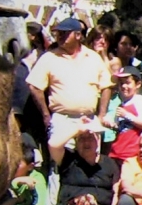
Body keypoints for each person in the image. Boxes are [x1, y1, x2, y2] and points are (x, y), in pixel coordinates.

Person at [26, 17, 114, 166]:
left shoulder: (93, 57)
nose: (60, 37)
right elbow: (34, 86)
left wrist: (101, 115)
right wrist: (46, 115)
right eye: (58, 33)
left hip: (89, 120)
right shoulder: (49, 58)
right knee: (61, 164)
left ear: (78, 35)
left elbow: (106, 85)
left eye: (65, 34)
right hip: (62, 120)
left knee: (91, 161)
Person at [103, 67, 142, 161]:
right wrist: (112, 125)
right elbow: (122, 128)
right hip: (116, 152)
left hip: (132, 154)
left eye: (128, 82)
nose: (124, 86)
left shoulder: (141, 101)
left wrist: (127, 115)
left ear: (138, 84)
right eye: (121, 83)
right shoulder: (121, 104)